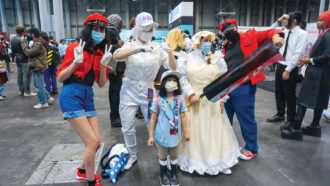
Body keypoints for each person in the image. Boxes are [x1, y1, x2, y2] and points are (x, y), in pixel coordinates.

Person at [113, 12, 177, 170]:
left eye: (151, 28)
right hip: (129, 89)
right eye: (146, 28)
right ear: (138, 29)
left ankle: (163, 156)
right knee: (127, 125)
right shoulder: (130, 45)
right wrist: (137, 49)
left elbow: (173, 67)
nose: (149, 31)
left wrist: (169, 52)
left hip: (148, 90)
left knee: (156, 124)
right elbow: (116, 56)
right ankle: (132, 155)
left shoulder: (157, 48)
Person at [57, 13, 111, 186]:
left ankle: (82, 170)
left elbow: (101, 84)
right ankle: (90, 181)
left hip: (88, 96)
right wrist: (75, 62)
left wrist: (103, 66)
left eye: (102, 29)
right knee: (92, 142)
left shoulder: (100, 52)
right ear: (88, 30)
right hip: (71, 95)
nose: (99, 32)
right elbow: (61, 77)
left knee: (97, 142)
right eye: (95, 28)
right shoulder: (75, 47)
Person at [176, 31, 240, 175]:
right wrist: (190, 93)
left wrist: (223, 99)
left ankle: (219, 162)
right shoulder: (187, 58)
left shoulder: (218, 58)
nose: (208, 43)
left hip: (213, 102)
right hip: (194, 102)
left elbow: (225, 80)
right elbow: (182, 78)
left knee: (215, 131)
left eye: (210, 41)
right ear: (197, 42)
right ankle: (194, 160)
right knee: (194, 131)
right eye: (205, 40)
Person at [219, 19, 284, 160]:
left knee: (246, 118)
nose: (229, 33)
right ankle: (229, 146)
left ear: (236, 27)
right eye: (226, 33)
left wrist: (276, 37)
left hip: (244, 86)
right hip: (227, 87)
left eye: (231, 30)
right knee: (225, 118)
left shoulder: (250, 36)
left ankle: (251, 148)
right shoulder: (225, 46)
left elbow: (269, 32)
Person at [281, 10, 330, 140]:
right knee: (320, 100)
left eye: (321, 20)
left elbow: (327, 55)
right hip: (321, 74)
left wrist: (310, 60)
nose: (318, 23)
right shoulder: (325, 34)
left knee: (302, 100)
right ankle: (314, 126)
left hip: (317, 74)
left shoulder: (328, 35)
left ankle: (296, 129)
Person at [267, 12, 308, 131]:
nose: (284, 21)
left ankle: (290, 120)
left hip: (290, 67)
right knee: (278, 92)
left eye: (286, 19)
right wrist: (278, 20)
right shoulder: (285, 32)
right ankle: (280, 114)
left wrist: (288, 70)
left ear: (294, 21)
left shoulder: (302, 34)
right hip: (280, 65)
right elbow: (269, 31)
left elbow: (298, 53)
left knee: (289, 95)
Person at [148, 71, 189, 186]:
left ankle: (174, 173)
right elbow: (153, 119)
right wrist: (151, 136)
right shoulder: (157, 100)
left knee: (174, 155)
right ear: (163, 83)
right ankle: (163, 173)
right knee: (162, 156)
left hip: (175, 136)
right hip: (161, 137)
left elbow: (183, 117)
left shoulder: (180, 100)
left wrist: (186, 132)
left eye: (175, 81)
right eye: (169, 80)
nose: (172, 83)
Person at [20, 28, 55, 109]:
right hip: (39, 65)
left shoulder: (38, 43)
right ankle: (48, 98)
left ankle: (43, 103)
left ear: (33, 34)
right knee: (39, 84)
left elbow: (28, 52)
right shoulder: (40, 42)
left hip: (37, 66)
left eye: (29, 33)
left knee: (39, 86)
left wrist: (23, 42)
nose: (28, 35)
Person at [107, 14, 126, 128]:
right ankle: (115, 117)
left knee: (113, 90)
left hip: (115, 66)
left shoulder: (112, 31)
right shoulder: (111, 32)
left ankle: (114, 116)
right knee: (116, 91)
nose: (122, 24)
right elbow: (109, 48)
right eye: (120, 22)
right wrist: (118, 45)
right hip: (114, 66)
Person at [10, 25, 36, 97]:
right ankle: (27, 92)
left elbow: (12, 51)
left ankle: (21, 91)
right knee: (26, 76)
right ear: (22, 31)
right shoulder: (22, 39)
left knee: (20, 75)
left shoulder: (13, 39)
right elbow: (25, 50)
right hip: (24, 59)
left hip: (18, 59)